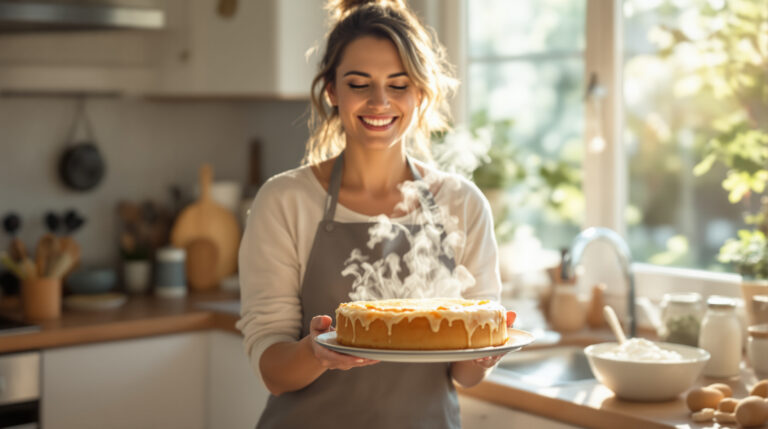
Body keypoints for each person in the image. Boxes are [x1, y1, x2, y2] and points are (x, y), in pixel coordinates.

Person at [236, 1, 512, 427]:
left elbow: (466, 375)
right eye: (359, 84)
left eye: (398, 85)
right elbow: (273, 372)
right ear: (332, 90)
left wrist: (486, 352)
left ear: (421, 91)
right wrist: (316, 353)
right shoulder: (285, 201)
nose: (379, 102)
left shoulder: (463, 203)